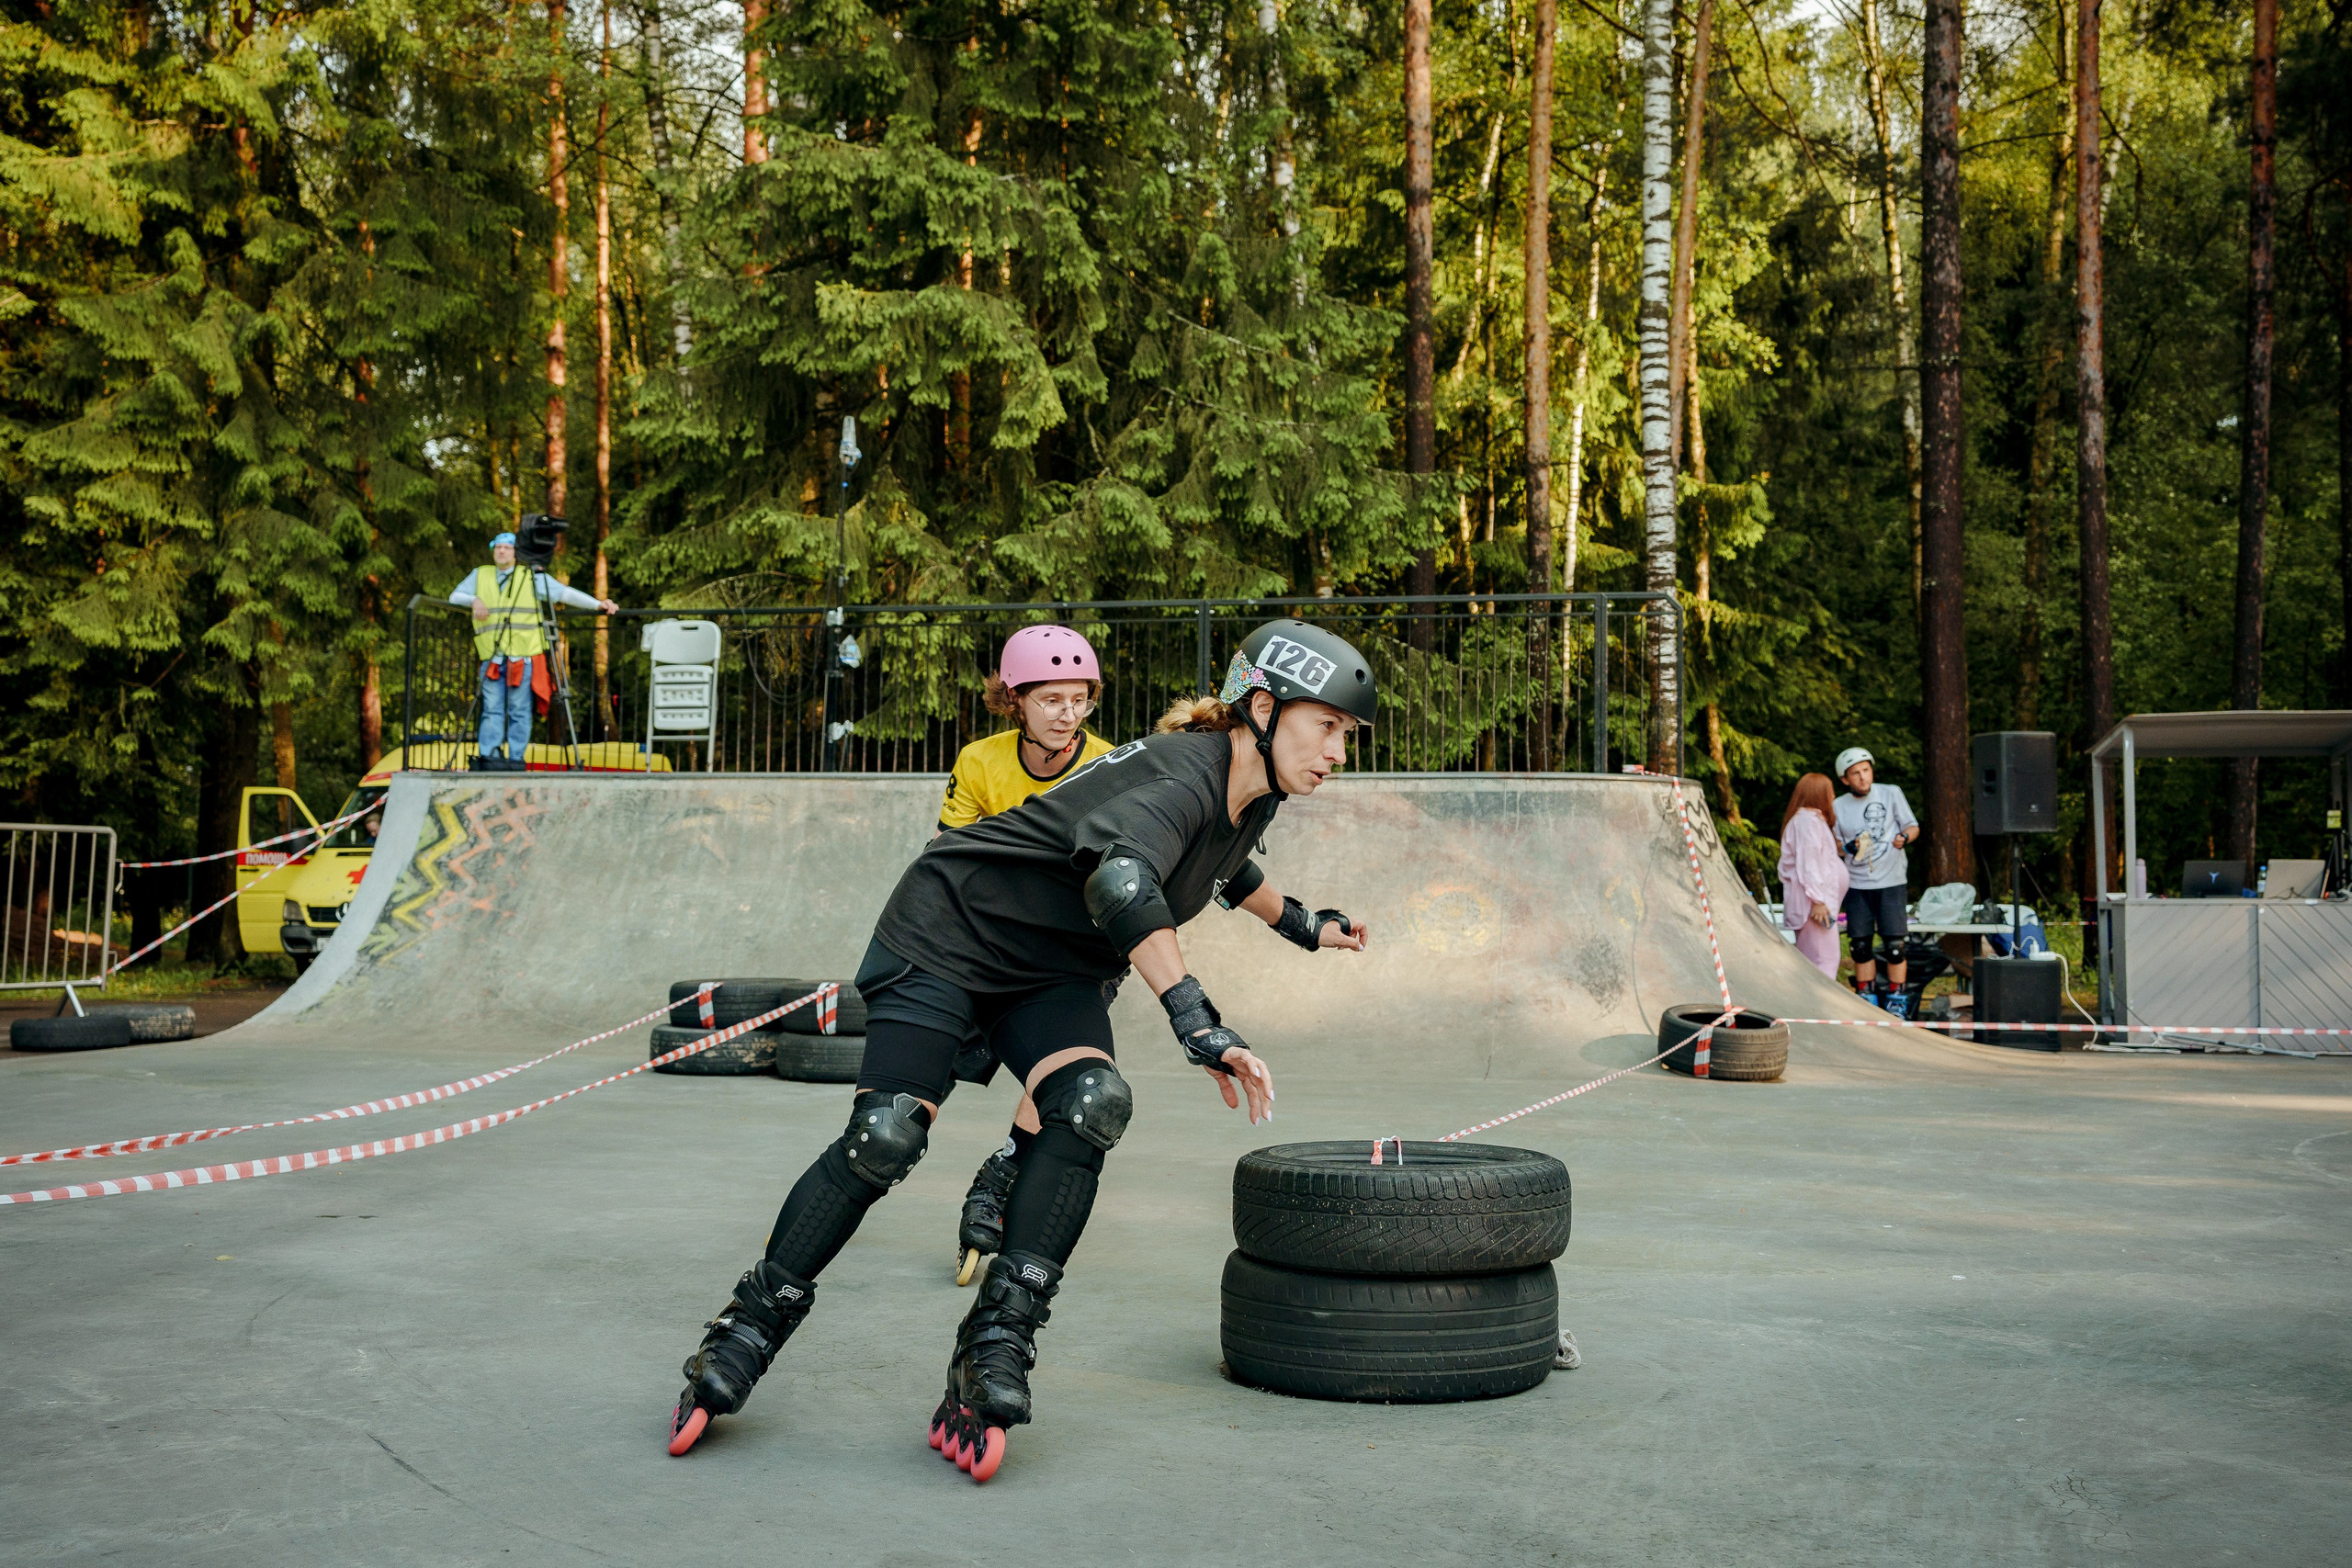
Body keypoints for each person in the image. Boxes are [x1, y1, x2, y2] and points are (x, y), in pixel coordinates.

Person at [664, 619, 1380, 1482]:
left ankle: (995, 1338)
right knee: (888, 1133)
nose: (1340, 750)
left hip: (1049, 971)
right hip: (948, 935)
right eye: (1328, 725)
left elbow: (1225, 867)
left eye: (1347, 733)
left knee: (1093, 1102)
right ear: (1262, 708)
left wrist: (1305, 924)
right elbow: (1123, 877)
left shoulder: (1248, 786)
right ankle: (748, 1323)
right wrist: (1196, 1019)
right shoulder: (1182, 769)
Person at [936, 626, 1120, 1286]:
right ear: (1015, 700)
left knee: (1071, 1080)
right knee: (915, 1084)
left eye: (1080, 699)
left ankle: (1002, 1172)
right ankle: (854, 1162)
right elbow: (951, 861)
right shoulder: (981, 761)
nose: (1068, 714)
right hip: (985, 937)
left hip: (1074, 945)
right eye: (1051, 700)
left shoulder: (1108, 763)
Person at [447, 531, 617, 770]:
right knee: (491, 710)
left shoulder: (530, 576)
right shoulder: (481, 575)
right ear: (493, 551)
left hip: (522, 656)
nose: (502, 551)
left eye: (507, 548)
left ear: (516, 553)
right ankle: (489, 756)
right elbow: (455, 597)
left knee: (519, 710)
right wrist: (474, 600)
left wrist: (598, 604)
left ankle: (516, 758)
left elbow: (563, 593)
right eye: (498, 548)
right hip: (492, 656)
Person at [1831, 746, 1920, 1017]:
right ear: (1845, 780)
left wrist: (1904, 838)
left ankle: (1897, 1001)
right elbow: (1834, 845)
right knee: (1859, 947)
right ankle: (1866, 1001)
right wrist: (1848, 847)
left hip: (1891, 881)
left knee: (1895, 948)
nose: (1863, 777)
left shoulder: (1891, 792)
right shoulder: (1838, 805)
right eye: (1855, 773)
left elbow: (1913, 826)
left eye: (1866, 770)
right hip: (1857, 884)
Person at [1777, 773, 1849, 979]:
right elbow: (1809, 865)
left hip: (1818, 907)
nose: (1833, 797)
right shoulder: (1807, 822)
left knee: (1821, 961)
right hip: (1814, 909)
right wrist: (1818, 900)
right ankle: (1819, 1010)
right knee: (1823, 963)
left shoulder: (1811, 821)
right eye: (1830, 791)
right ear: (1819, 794)